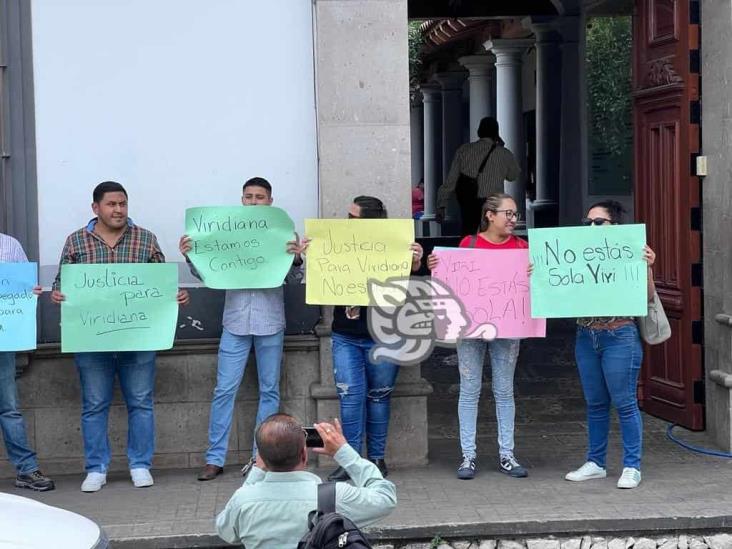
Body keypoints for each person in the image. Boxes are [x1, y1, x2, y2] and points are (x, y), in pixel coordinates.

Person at [51, 181, 190, 492]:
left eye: (122, 204)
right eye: (111, 204)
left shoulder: (145, 239)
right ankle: (96, 468)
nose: (118, 210)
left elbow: (162, 284)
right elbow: (61, 283)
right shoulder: (76, 242)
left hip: (138, 337)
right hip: (91, 339)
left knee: (141, 402)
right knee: (94, 403)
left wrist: (175, 295)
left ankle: (140, 464)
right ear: (96, 208)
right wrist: (58, 295)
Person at [179, 177, 306, 481]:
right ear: (242, 199)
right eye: (248, 196)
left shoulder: (284, 233)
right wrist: (190, 254)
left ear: (269, 201)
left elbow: (293, 281)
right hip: (234, 321)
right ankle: (214, 458)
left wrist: (297, 258)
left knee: (270, 391)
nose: (253, 201)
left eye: (259, 197)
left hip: (270, 321)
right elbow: (207, 273)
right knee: (224, 390)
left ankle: (261, 457)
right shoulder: (226, 230)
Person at [427, 193, 529, 480]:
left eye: (515, 214)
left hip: (507, 328)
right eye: (507, 214)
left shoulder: (522, 247)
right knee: (470, 389)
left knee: (504, 390)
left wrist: (535, 274)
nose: (513, 219)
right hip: (471, 328)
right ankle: (468, 456)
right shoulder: (468, 244)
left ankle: (507, 455)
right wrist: (438, 267)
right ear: (489, 215)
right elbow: (454, 282)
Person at [327, 196, 424, 482]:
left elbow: (414, 280)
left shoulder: (396, 243)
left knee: (379, 396)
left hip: (385, 334)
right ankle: (351, 462)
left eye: (353, 218)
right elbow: (324, 272)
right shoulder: (340, 242)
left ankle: (377, 460)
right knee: (350, 398)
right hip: (346, 333)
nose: (348, 222)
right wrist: (313, 252)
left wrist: (415, 261)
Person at [565, 200, 656, 489]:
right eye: (587, 222)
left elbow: (648, 297)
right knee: (595, 403)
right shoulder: (576, 253)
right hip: (586, 334)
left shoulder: (630, 251)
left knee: (625, 402)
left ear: (614, 226)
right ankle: (596, 462)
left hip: (619, 335)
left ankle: (632, 466)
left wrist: (648, 267)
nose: (591, 226)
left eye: (598, 222)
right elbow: (561, 285)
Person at [215, 413, 396, 548]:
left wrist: (256, 472)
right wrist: (344, 451)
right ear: (304, 454)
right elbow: (385, 498)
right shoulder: (335, 496)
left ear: (260, 457)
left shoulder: (243, 500)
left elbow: (226, 532)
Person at [0, 233, 55, 492]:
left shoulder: (9, 245)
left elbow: (24, 286)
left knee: (9, 409)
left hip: (2, 343)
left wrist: (29, 292)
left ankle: (26, 469)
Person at [437, 117, 521, 236]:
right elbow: (513, 176)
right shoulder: (504, 153)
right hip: (493, 203)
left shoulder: (464, 150)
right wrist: (501, 146)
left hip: (469, 200)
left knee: (468, 234)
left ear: (479, 132)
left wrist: (441, 205)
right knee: (492, 236)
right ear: (496, 133)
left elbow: (451, 181)